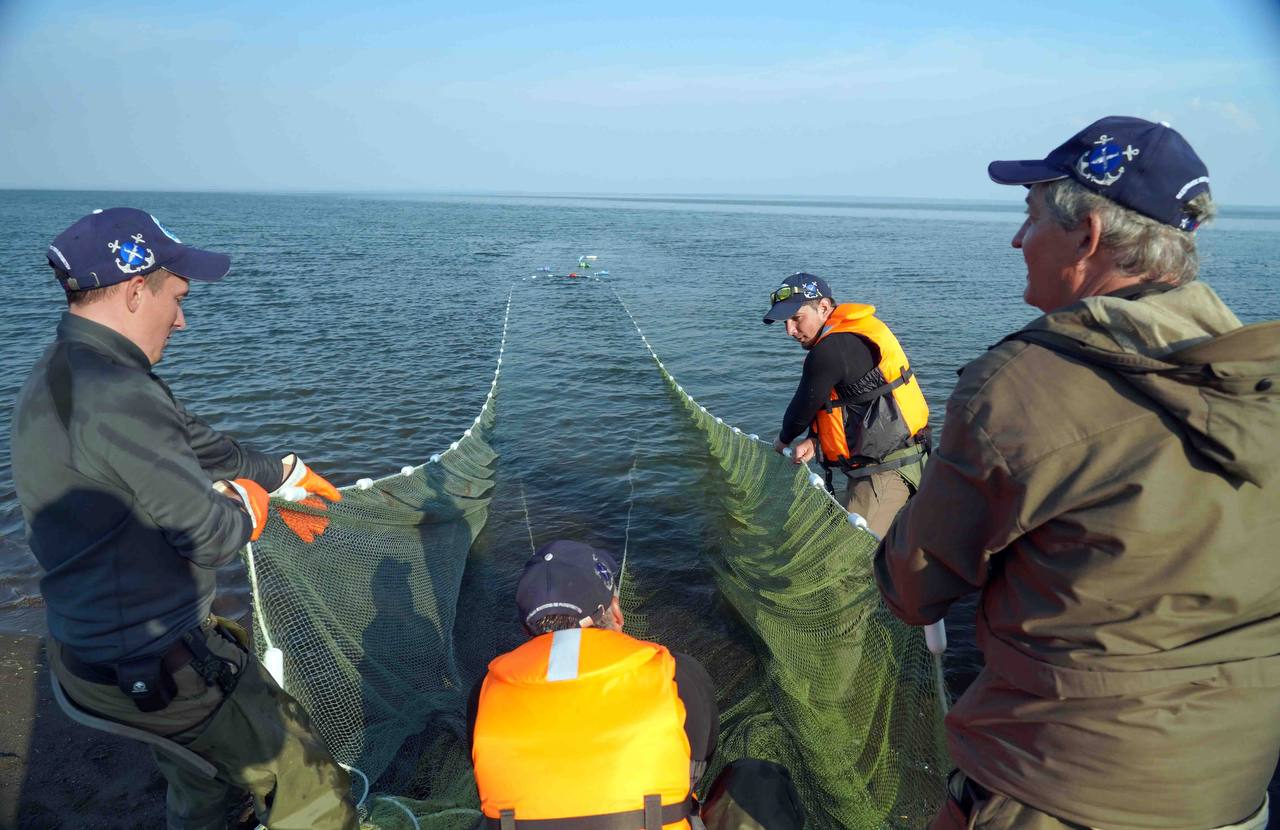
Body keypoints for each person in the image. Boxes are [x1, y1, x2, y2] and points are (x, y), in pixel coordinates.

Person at [874, 116, 1280, 830]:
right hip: (1235, 788)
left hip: (1060, 784)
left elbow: (916, 586)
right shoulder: (1257, 382)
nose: (1017, 240)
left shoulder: (1022, 385)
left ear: (1088, 235)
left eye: (1031, 216)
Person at [11, 208, 358, 830]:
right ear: (135, 289)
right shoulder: (120, 394)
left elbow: (198, 444)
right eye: (177, 298)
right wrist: (245, 502)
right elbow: (212, 534)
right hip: (151, 663)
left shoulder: (65, 368)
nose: (181, 319)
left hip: (87, 652)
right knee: (310, 783)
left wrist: (284, 473)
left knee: (202, 778)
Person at [469, 539, 718, 829]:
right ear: (616, 612)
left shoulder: (484, 692)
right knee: (749, 777)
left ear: (527, 629)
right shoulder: (677, 673)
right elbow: (700, 759)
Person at [764, 273, 931, 536]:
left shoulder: (830, 350)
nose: (790, 331)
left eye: (796, 318)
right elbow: (854, 400)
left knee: (846, 552)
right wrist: (815, 439)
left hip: (885, 471)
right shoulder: (852, 335)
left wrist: (782, 440)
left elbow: (801, 410)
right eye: (785, 322)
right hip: (910, 459)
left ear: (823, 307)